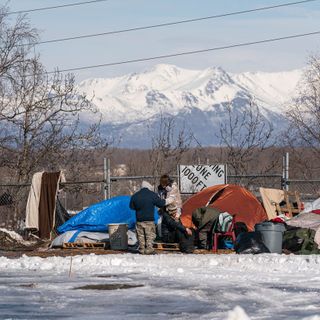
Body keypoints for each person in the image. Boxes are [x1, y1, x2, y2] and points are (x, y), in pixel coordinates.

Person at [130, 181, 170, 254]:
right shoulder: (152, 195)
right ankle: (149, 249)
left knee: (140, 235)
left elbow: (131, 207)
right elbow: (161, 204)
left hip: (139, 219)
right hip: (149, 220)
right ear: (148, 187)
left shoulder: (135, 196)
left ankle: (142, 249)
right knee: (150, 235)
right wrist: (168, 200)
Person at [157, 174, 183, 242]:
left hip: (175, 209)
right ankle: (166, 240)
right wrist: (160, 207)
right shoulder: (160, 188)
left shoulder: (173, 187)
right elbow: (160, 197)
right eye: (162, 184)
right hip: (165, 210)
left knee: (176, 225)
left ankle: (178, 240)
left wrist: (162, 202)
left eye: (164, 184)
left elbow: (171, 199)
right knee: (165, 226)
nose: (163, 186)